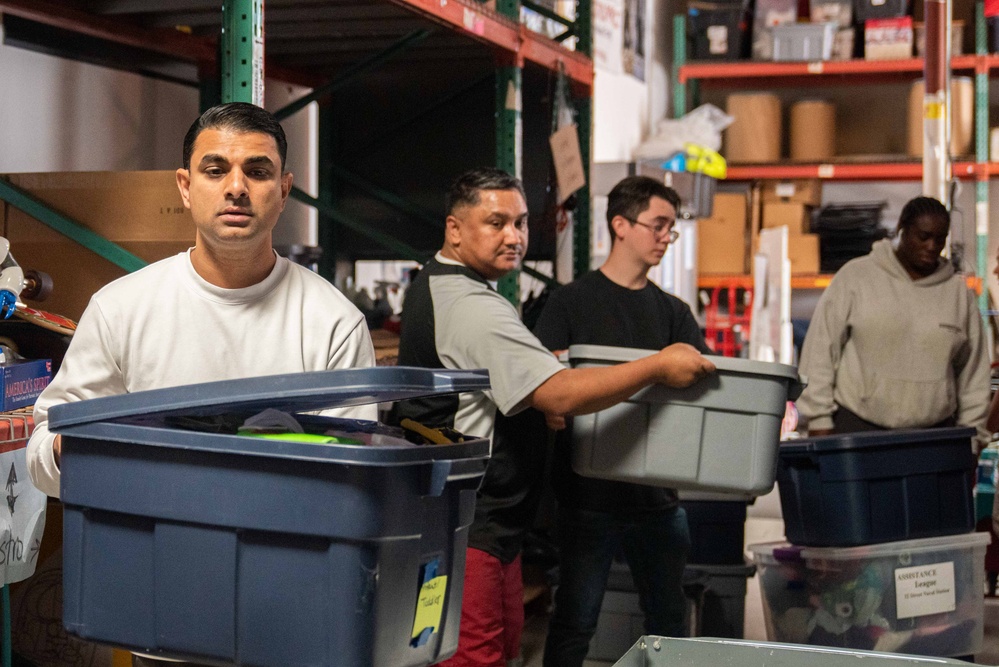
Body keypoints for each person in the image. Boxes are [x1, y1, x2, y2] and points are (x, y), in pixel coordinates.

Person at [391, 167, 715, 667]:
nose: (514, 237)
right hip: (469, 525)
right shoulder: (472, 304)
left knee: (495, 650)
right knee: (477, 656)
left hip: (491, 527)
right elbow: (559, 394)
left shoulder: (454, 288)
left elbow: (507, 389)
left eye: (520, 223)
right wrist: (656, 365)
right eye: (496, 223)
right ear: (455, 229)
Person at [27, 102, 376, 500]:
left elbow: (353, 479)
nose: (236, 188)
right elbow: (43, 452)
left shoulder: (334, 323)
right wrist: (78, 446)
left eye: (258, 172)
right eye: (215, 170)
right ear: (186, 187)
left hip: (281, 547)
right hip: (147, 540)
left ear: (282, 191)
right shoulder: (120, 309)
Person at [532, 176, 711, 667]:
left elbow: (703, 389)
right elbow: (542, 380)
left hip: (658, 501)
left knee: (668, 623)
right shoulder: (570, 303)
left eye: (670, 230)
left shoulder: (673, 313)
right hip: (588, 497)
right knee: (574, 621)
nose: (664, 239)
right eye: (658, 226)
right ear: (620, 225)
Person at [796, 195, 989, 444]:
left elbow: (974, 376)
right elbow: (820, 353)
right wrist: (819, 421)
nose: (932, 246)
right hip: (856, 428)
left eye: (939, 239)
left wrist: (973, 439)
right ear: (901, 229)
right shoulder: (856, 278)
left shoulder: (958, 296)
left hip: (934, 437)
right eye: (923, 236)